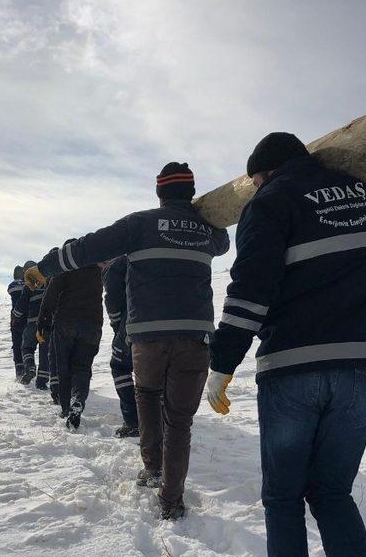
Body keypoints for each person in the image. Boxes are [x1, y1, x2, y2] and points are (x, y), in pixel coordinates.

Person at [206, 132, 366, 557]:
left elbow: (250, 287)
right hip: (362, 363)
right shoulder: (361, 192)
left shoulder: (271, 201)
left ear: (262, 175)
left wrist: (222, 363)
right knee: (331, 490)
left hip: (294, 366)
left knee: (284, 496)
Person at [25, 163, 229, 517]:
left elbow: (87, 248)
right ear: (191, 192)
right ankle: (172, 501)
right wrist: (196, 215)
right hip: (195, 337)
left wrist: (44, 267)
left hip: (147, 336)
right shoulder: (210, 231)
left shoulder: (140, 225)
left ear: (159, 193)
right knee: (180, 421)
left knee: (147, 396)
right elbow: (224, 244)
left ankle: (152, 468)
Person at [36, 242, 103, 430]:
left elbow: (50, 295)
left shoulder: (65, 269)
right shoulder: (96, 271)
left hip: (66, 323)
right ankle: (78, 400)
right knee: (82, 368)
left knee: (63, 367)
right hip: (92, 326)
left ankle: (66, 408)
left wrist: (43, 322)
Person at [102, 256, 139, 437]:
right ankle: (165, 420)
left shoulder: (117, 264)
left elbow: (112, 299)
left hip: (133, 321)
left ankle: (133, 421)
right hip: (177, 322)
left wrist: (117, 326)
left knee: (119, 366)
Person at [13, 262, 50, 388]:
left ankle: (30, 367)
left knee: (27, 347)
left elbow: (21, 306)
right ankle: (43, 381)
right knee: (45, 351)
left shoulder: (29, 286)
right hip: (46, 323)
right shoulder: (48, 282)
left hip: (32, 322)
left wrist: (15, 316)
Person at [8, 265, 26, 379]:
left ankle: (19, 370)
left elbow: (10, 292)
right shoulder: (27, 284)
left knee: (17, 345)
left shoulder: (12, 285)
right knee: (28, 345)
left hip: (15, 318)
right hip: (28, 318)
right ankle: (30, 366)